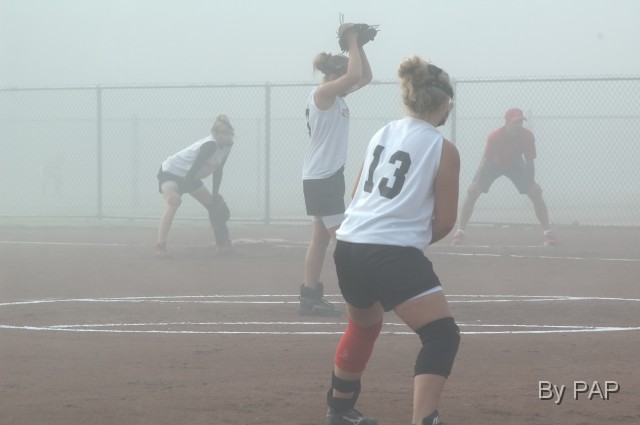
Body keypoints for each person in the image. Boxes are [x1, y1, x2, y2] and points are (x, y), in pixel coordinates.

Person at [323, 55, 460, 425]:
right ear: (444, 103)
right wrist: (407, 244)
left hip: (349, 244)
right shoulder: (442, 148)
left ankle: (340, 410)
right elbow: (445, 221)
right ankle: (424, 420)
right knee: (441, 335)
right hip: (390, 251)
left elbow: (357, 195)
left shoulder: (382, 133)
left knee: (363, 326)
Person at [299, 26, 373, 316]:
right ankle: (360, 295)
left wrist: (360, 46)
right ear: (335, 76)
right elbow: (354, 75)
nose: (348, 83)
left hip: (325, 176)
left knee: (320, 239)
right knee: (342, 239)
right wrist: (351, 40)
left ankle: (310, 296)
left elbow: (364, 77)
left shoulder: (337, 96)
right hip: (322, 177)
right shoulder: (323, 93)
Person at [451, 107, 557, 246]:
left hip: (515, 164)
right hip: (493, 163)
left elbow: (530, 162)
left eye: (521, 122)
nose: (519, 125)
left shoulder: (527, 136)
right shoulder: (495, 136)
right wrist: (477, 183)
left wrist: (532, 183)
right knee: (472, 194)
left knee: (536, 194)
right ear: (507, 122)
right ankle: (460, 232)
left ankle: (547, 233)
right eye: (515, 122)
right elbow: (485, 161)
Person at [154, 114, 236, 258]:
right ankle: (160, 246)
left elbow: (219, 170)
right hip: (171, 173)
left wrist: (215, 194)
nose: (228, 137)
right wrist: (178, 193)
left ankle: (223, 245)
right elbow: (193, 169)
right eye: (224, 134)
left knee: (213, 206)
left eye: (230, 134)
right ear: (215, 134)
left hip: (191, 177)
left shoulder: (227, 146)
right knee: (173, 203)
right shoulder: (210, 145)